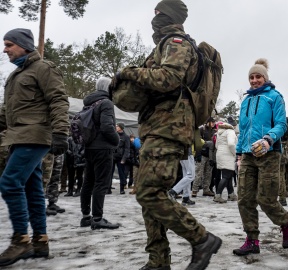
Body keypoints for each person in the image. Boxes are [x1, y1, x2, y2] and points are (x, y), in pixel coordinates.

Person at [112, 1, 222, 269]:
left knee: (148, 192)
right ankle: (158, 260)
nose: (154, 18)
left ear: (170, 16)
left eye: (159, 13)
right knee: (153, 194)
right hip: (158, 126)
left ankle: (201, 238)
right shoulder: (163, 44)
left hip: (168, 127)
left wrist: (129, 72)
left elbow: (168, 79)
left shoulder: (176, 41)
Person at [0, 28, 69, 267]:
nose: (5, 49)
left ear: (23, 45)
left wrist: (61, 132)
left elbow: (58, 100)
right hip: (18, 137)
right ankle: (40, 242)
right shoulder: (15, 76)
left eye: (9, 44)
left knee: (9, 182)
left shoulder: (43, 68)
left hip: (36, 135)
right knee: (32, 189)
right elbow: (6, 112)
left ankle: (21, 240)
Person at [233, 58, 288, 257]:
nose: (254, 80)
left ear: (265, 78)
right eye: (251, 77)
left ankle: (286, 223)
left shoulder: (274, 97)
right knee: (244, 199)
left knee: (266, 199)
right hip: (249, 155)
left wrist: (268, 139)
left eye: (258, 76)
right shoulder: (246, 100)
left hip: (269, 153)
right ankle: (252, 240)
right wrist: (240, 154)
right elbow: (243, 130)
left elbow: (281, 124)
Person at [80, 77, 120, 230]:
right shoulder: (106, 103)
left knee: (88, 182)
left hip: (89, 147)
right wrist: (116, 141)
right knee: (101, 183)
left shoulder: (89, 102)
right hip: (103, 148)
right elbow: (107, 127)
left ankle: (86, 217)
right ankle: (97, 218)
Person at [192, 117, 216, 197]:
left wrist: (212, 158)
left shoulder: (214, 131)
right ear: (208, 122)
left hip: (209, 155)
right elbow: (198, 142)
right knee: (199, 173)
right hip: (201, 154)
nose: (213, 124)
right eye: (212, 122)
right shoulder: (201, 129)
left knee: (208, 174)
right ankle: (194, 190)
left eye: (214, 122)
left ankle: (206, 189)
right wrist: (198, 155)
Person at [213, 122, 237, 203]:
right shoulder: (230, 132)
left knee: (228, 175)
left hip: (219, 154)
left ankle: (231, 194)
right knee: (226, 176)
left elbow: (216, 145)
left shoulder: (219, 133)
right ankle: (218, 195)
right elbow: (231, 144)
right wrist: (235, 153)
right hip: (228, 155)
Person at [110, 122, 130, 194]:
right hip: (112, 157)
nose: (116, 127)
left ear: (121, 128)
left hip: (120, 158)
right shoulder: (114, 135)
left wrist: (124, 159)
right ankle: (108, 188)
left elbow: (127, 149)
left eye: (117, 126)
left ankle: (122, 189)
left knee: (122, 174)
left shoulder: (126, 137)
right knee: (109, 173)